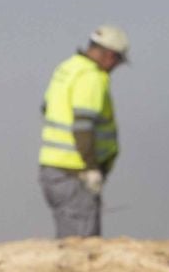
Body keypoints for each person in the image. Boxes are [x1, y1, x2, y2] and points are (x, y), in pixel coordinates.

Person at [38, 25, 128, 238]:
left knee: (69, 238)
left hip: (53, 170)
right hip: (74, 173)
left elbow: (46, 107)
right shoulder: (91, 77)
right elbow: (83, 126)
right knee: (81, 245)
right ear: (109, 55)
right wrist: (91, 169)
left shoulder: (67, 68)